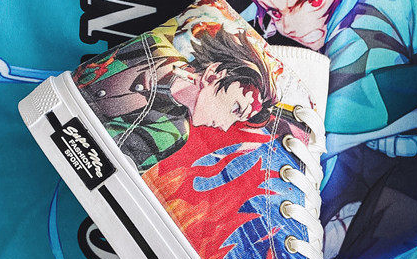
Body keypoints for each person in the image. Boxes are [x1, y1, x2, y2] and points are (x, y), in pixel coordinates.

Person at [72, 24, 277, 173]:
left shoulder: (172, 132)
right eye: (235, 108)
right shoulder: (154, 46)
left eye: (236, 119)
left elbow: (102, 160)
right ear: (213, 75)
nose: (225, 127)